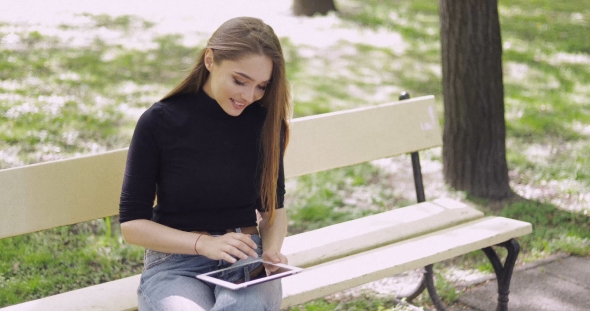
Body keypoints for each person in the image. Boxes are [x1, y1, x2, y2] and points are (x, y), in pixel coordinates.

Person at [118, 16, 291, 311]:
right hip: (175, 265)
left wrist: (272, 252)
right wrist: (203, 244)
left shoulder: (266, 124)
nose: (248, 96)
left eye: (262, 86)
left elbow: (272, 212)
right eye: (240, 80)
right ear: (210, 60)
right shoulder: (159, 122)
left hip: (245, 258)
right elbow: (132, 225)